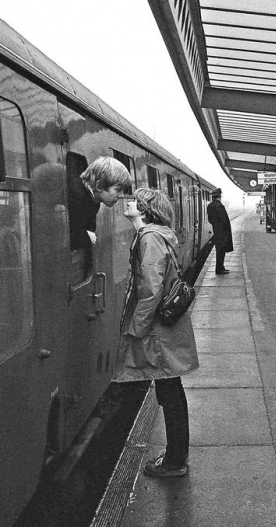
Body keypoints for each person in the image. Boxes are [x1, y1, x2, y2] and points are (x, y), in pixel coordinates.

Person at [114, 188, 199, 477]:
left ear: (145, 209)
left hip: (159, 332)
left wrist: (135, 330)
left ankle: (175, 462)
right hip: (165, 329)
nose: (128, 202)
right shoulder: (157, 235)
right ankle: (177, 454)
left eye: (134, 201)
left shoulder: (149, 238)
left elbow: (150, 290)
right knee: (171, 390)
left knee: (169, 392)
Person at [67, 156, 132, 250]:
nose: (121, 195)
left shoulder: (94, 200)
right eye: (118, 190)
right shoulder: (73, 196)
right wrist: (86, 237)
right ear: (98, 185)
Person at [207, 188, 233, 274]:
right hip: (222, 232)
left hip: (216, 231)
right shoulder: (219, 206)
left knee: (219, 250)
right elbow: (224, 220)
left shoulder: (210, 206)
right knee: (221, 251)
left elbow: (210, 219)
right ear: (219, 196)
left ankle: (221, 267)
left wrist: (216, 225)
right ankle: (220, 269)